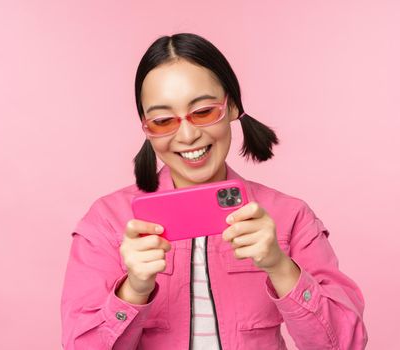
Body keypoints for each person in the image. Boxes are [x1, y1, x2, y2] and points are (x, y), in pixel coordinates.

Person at [60, 33, 368, 350]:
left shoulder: (289, 217)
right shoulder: (108, 222)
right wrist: (133, 290)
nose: (189, 135)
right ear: (146, 127)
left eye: (204, 111)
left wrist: (279, 265)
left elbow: (345, 343)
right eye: (164, 120)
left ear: (232, 106)